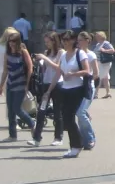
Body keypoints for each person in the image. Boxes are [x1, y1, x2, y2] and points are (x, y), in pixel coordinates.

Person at [27, 32, 66, 147]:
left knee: (57, 111)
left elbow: (57, 67)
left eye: (48, 41)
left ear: (54, 41)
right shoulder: (46, 52)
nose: (46, 44)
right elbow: (45, 69)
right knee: (41, 111)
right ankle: (37, 138)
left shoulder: (61, 52)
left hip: (57, 84)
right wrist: (39, 61)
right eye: (45, 42)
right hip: (46, 83)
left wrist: (44, 58)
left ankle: (58, 137)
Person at [56, 30, 91, 158]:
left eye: (67, 39)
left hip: (77, 89)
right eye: (63, 40)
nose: (64, 42)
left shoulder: (80, 53)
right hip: (65, 89)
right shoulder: (63, 55)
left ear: (73, 40)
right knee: (66, 118)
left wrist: (73, 74)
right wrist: (49, 89)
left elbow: (87, 70)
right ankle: (76, 144)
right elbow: (58, 72)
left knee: (69, 118)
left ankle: (76, 146)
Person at [0, 31, 35, 141]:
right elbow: (5, 70)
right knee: (10, 111)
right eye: (10, 42)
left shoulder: (23, 52)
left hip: (21, 84)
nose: (11, 44)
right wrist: (1, 86)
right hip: (10, 84)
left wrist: (27, 85)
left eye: (14, 41)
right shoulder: (7, 53)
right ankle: (12, 135)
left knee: (17, 108)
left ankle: (32, 123)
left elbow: (30, 68)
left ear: (18, 41)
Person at [76, 32, 98, 150]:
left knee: (80, 113)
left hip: (88, 87)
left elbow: (96, 73)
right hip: (76, 87)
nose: (78, 42)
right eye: (77, 40)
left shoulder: (91, 55)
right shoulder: (76, 54)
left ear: (87, 41)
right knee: (80, 114)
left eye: (80, 40)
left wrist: (87, 81)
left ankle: (90, 138)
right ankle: (84, 140)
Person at [93, 31, 115, 99]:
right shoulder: (98, 44)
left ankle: (95, 94)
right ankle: (108, 93)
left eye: (97, 36)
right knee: (105, 78)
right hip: (99, 63)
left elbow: (113, 50)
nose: (96, 37)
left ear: (101, 36)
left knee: (99, 77)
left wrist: (104, 51)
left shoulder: (106, 43)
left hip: (104, 63)